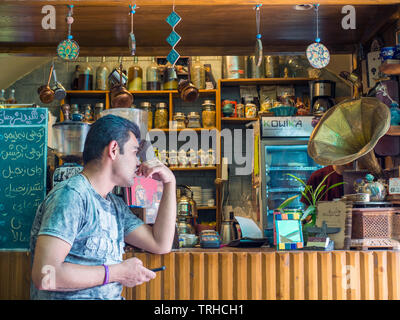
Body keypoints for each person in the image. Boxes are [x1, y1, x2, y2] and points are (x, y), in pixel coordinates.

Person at [30, 114, 176, 300]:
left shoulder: (115, 205)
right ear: (114, 149)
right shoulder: (72, 195)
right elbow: (45, 276)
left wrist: (170, 182)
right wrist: (117, 272)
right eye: (134, 152)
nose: (138, 162)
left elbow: (160, 244)